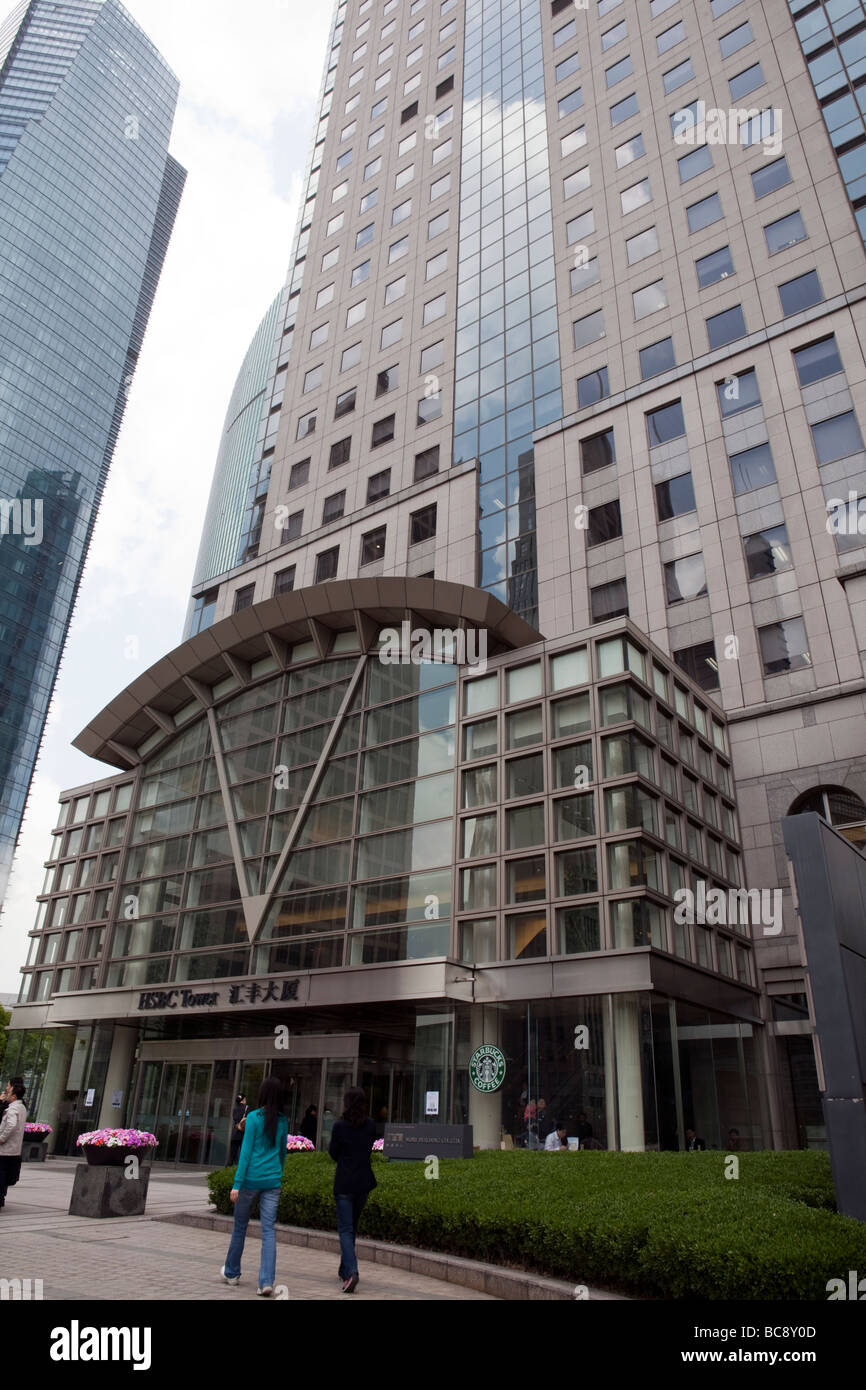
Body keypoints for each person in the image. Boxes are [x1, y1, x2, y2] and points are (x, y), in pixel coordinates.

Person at [221, 1078, 288, 1295]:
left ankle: (231, 1273)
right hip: (272, 1181)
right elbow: (282, 1153)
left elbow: (246, 1153)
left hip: (250, 1180)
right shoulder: (283, 1120)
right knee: (268, 1230)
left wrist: (236, 1184)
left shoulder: (252, 1118)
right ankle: (266, 1282)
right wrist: (278, 1173)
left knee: (240, 1226)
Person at [328, 1086, 376, 1294]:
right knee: (351, 1228)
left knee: (345, 1229)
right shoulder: (370, 1125)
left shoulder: (340, 1126)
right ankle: (344, 1268)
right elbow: (369, 1147)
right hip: (363, 1183)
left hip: (345, 1183)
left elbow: (333, 1152)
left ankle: (352, 1271)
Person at [0, 1080, 27, 1211]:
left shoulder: (13, 1109)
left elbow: (11, 1125)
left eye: (9, 1092)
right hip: (14, 1149)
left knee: (1, 1174)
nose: (7, 1094)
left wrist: (1, 1138)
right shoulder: (22, 1108)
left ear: (14, 1096)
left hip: (5, 1149)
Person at [229, 1094, 247, 1165]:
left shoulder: (235, 1109)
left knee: (232, 1154)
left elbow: (235, 1119)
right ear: (243, 1100)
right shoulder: (247, 1108)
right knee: (244, 1154)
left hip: (235, 1133)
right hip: (243, 1134)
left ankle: (229, 1168)